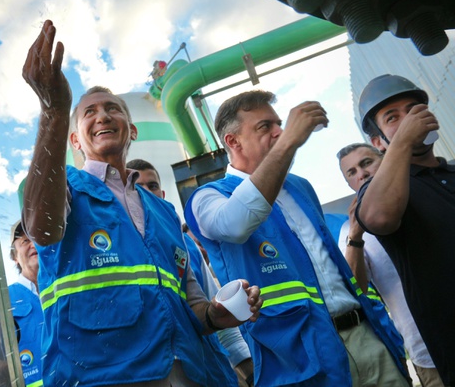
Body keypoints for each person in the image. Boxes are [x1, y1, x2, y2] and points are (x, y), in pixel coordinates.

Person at [21, 20, 262, 387]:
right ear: (74, 139)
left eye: (113, 109)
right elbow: (42, 226)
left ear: (131, 131)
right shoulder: (66, 188)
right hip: (104, 377)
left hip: (194, 373)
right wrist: (54, 111)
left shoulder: (163, 210)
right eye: (89, 112)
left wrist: (216, 315)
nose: (103, 115)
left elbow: (191, 303)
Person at [184, 90, 409, 387]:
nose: (280, 132)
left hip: (367, 335)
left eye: (280, 124)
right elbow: (235, 225)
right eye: (265, 127)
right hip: (301, 359)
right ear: (233, 141)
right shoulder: (208, 197)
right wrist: (290, 140)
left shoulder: (300, 187)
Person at [355, 74, 455, 386]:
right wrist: (403, 141)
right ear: (378, 142)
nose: (409, 119)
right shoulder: (380, 190)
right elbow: (379, 218)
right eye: (393, 118)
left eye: (414, 109)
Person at [127, 158, 255, 387]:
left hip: (212, 373)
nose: (146, 192)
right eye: (137, 186)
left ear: (163, 194)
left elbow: (214, 311)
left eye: (152, 185)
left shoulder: (186, 245)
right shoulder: (120, 250)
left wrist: (246, 366)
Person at [337, 142, 443, 386]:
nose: (361, 174)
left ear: (385, 160)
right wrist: (356, 234)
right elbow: (357, 289)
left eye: (366, 163)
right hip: (428, 353)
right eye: (351, 172)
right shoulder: (349, 232)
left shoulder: (424, 194)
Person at [7, 221, 43, 387]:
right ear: (14, 257)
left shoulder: (66, 288)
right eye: (25, 241)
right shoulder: (5, 299)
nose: (33, 244)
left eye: (37, 238)